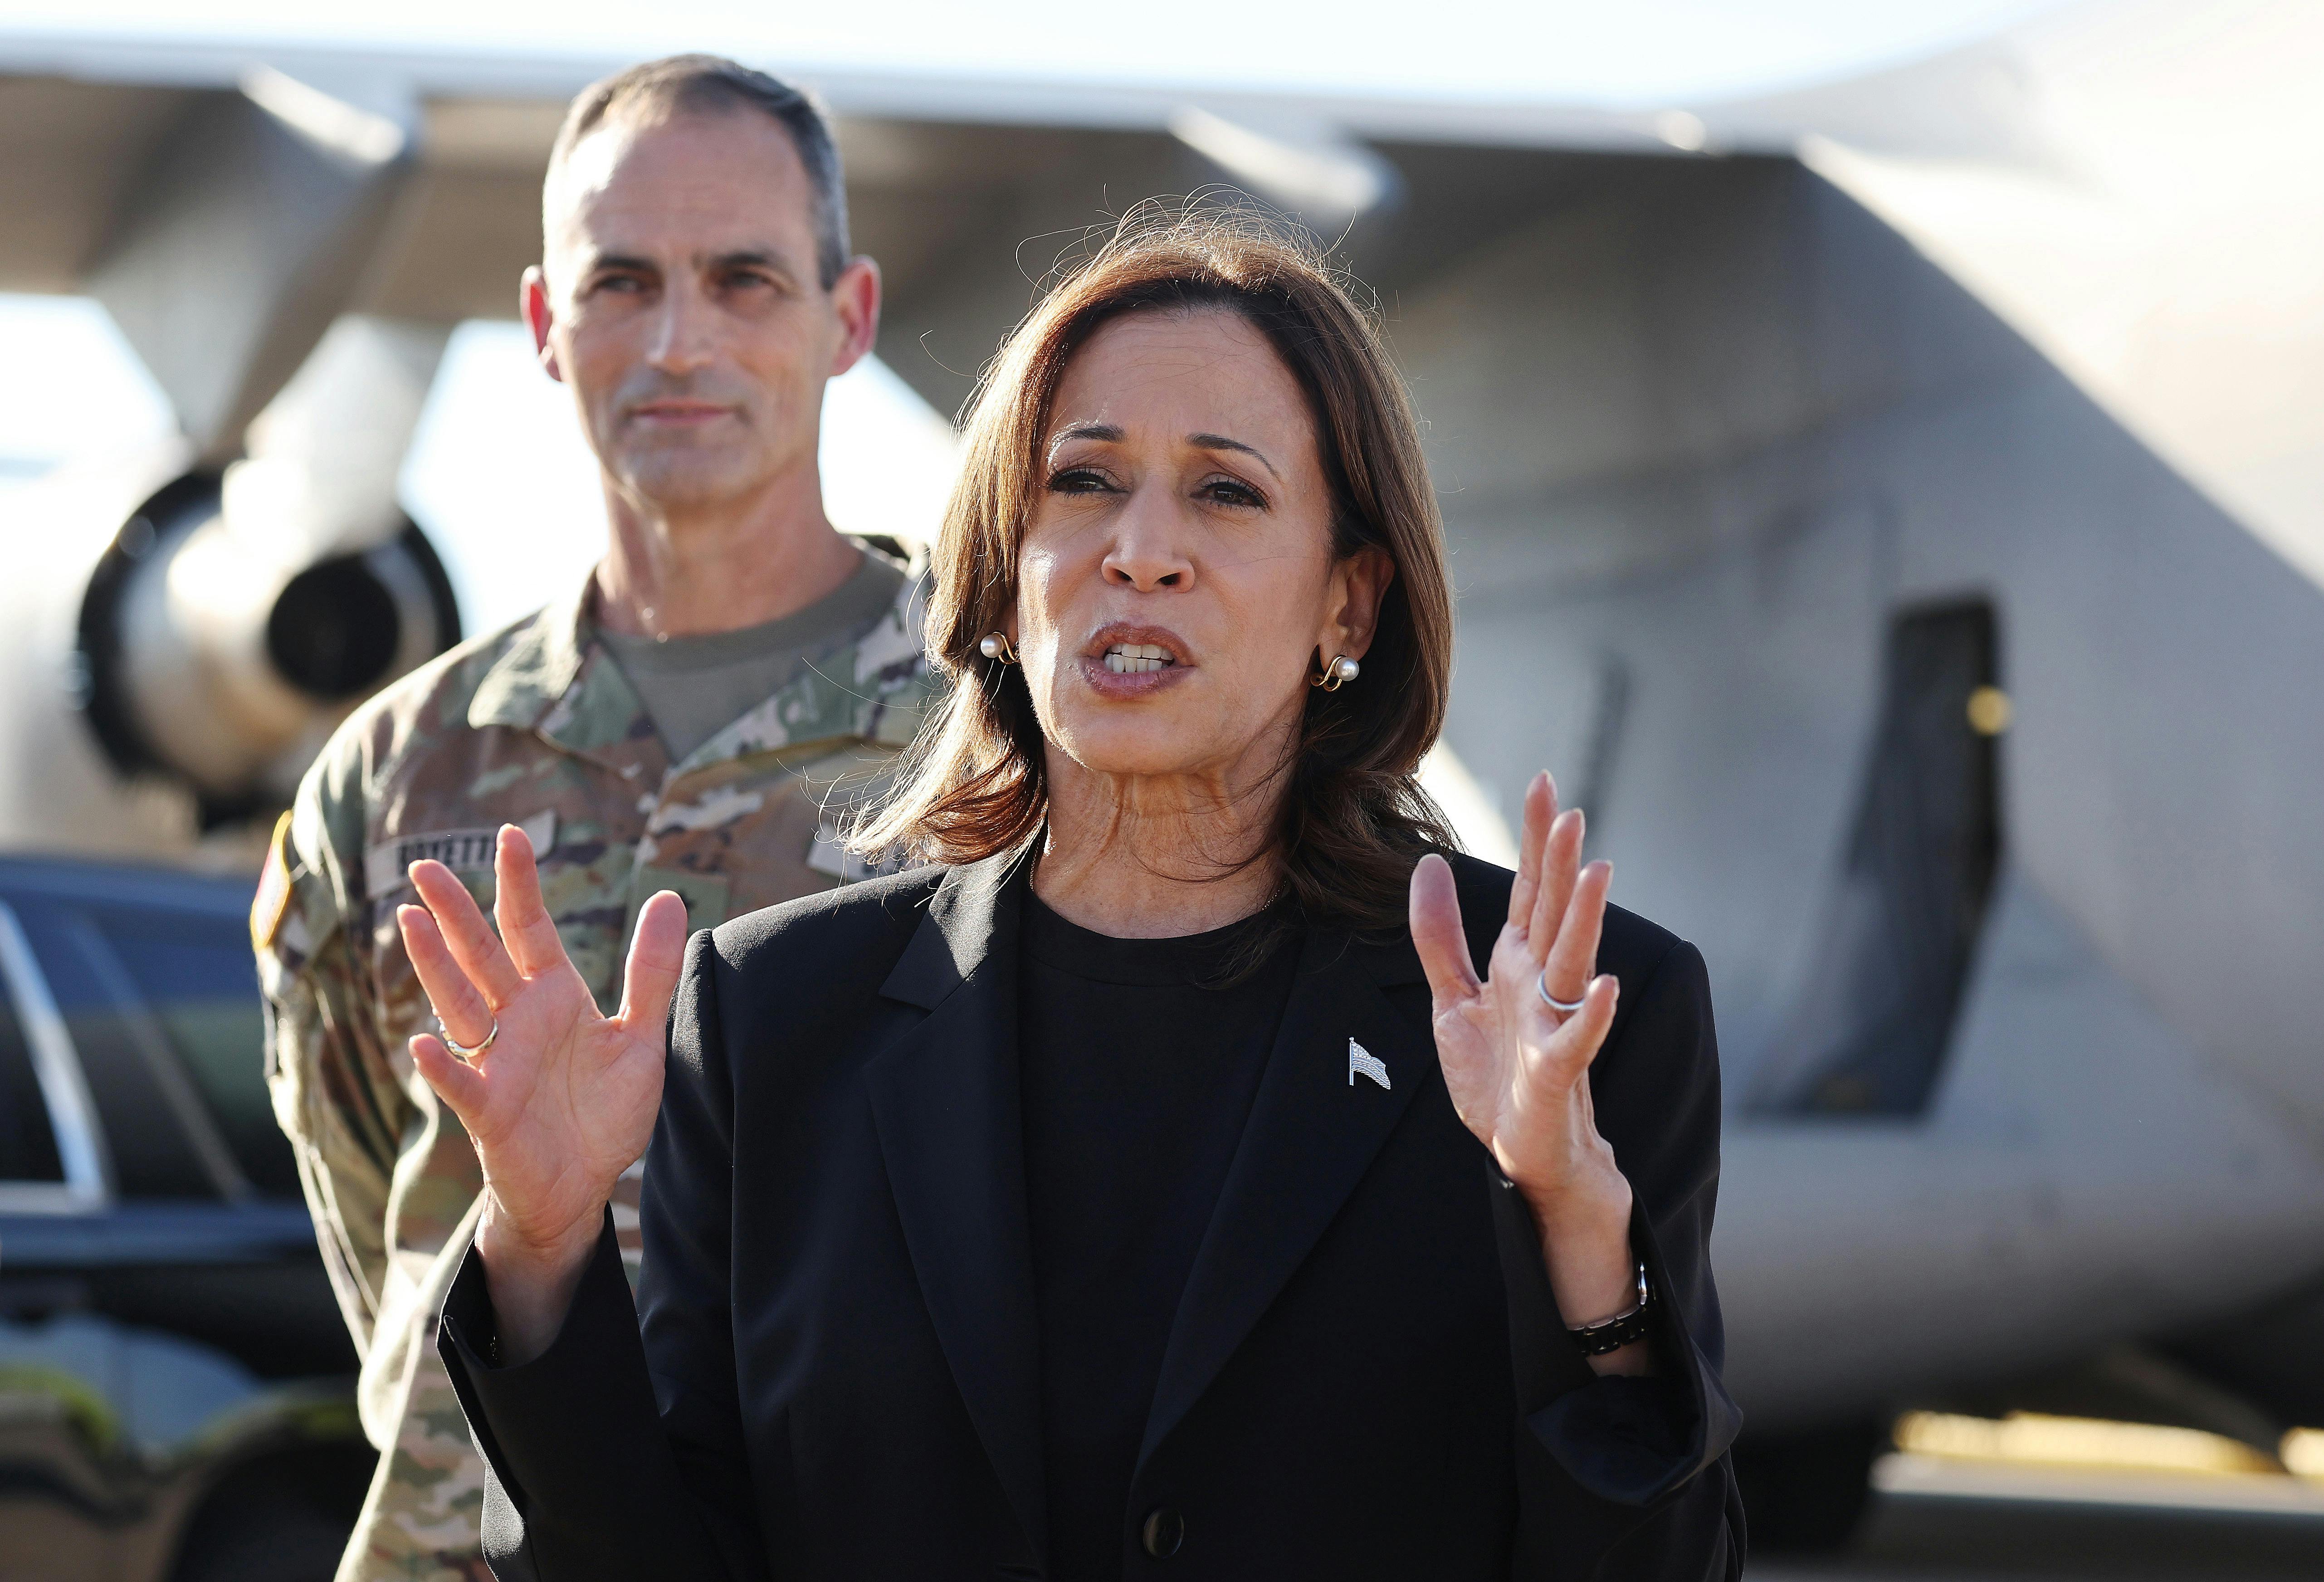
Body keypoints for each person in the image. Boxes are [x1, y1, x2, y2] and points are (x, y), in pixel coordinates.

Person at [398, 206, 1744, 1579]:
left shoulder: (1572, 1016)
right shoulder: (768, 1022)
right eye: (1084, 483)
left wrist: (1576, 1223)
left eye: (1226, 492)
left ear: (1350, 602)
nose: (1140, 551)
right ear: (1001, 574)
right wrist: (545, 1250)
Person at [256, 56, 938, 1582]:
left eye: (744, 278)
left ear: (850, 317)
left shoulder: (1007, 739)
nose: (680, 339)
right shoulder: (395, 778)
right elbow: (383, 1239)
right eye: (622, 281)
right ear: (546, 327)